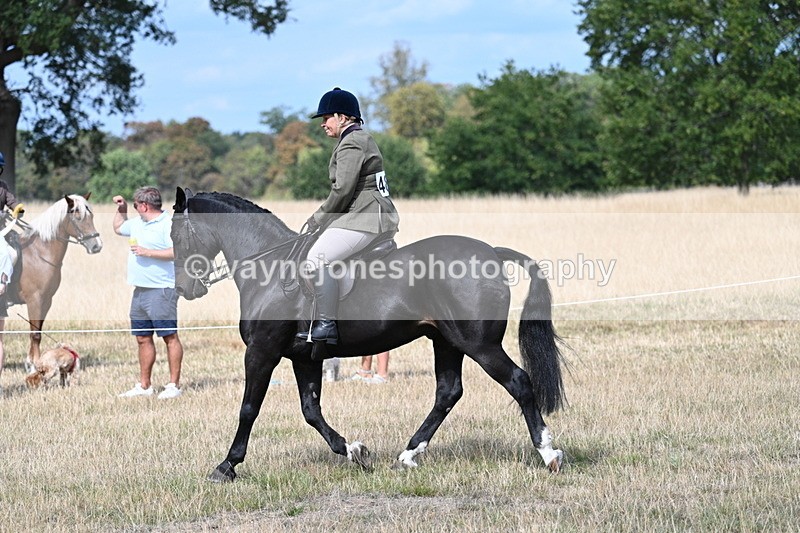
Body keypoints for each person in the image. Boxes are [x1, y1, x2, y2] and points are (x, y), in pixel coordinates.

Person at [296, 88, 400, 345]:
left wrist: (319, 218)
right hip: (366, 214)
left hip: (365, 216)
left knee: (316, 259)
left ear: (343, 117)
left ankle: (327, 324)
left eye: (327, 117)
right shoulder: (358, 138)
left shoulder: (352, 141)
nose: (323, 124)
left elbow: (342, 189)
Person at [113, 187, 184, 399]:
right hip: (140, 290)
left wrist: (148, 253)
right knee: (142, 338)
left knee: (169, 337)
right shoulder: (137, 223)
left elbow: (177, 252)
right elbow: (118, 227)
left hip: (162, 290)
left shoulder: (169, 224)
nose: (135, 209)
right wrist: (122, 209)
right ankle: (144, 386)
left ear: (144, 205)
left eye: (135, 206)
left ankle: (173, 385)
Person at [0, 151, 24, 393]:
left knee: (11, 253)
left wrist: (17, 209)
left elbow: (12, 201)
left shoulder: (3, 186)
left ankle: (7, 284)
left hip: (1, 231)